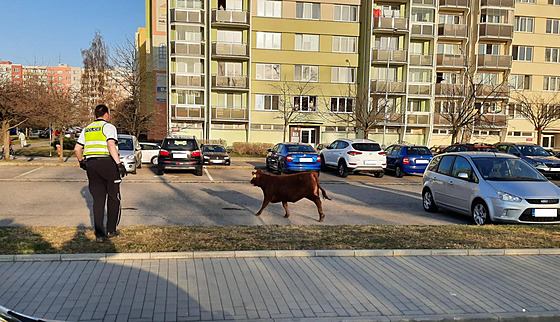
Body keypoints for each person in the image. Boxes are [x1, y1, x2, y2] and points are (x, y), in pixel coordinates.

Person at [74, 104, 128, 243]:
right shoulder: (109, 127)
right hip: (107, 163)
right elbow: (111, 145)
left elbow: (77, 148)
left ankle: (99, 234)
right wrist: (119, 164)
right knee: (113, 197)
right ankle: (111, 230)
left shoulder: (87, 129)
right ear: (106, 114)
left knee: (98, 200)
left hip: (91, 164)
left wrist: (82, 162)